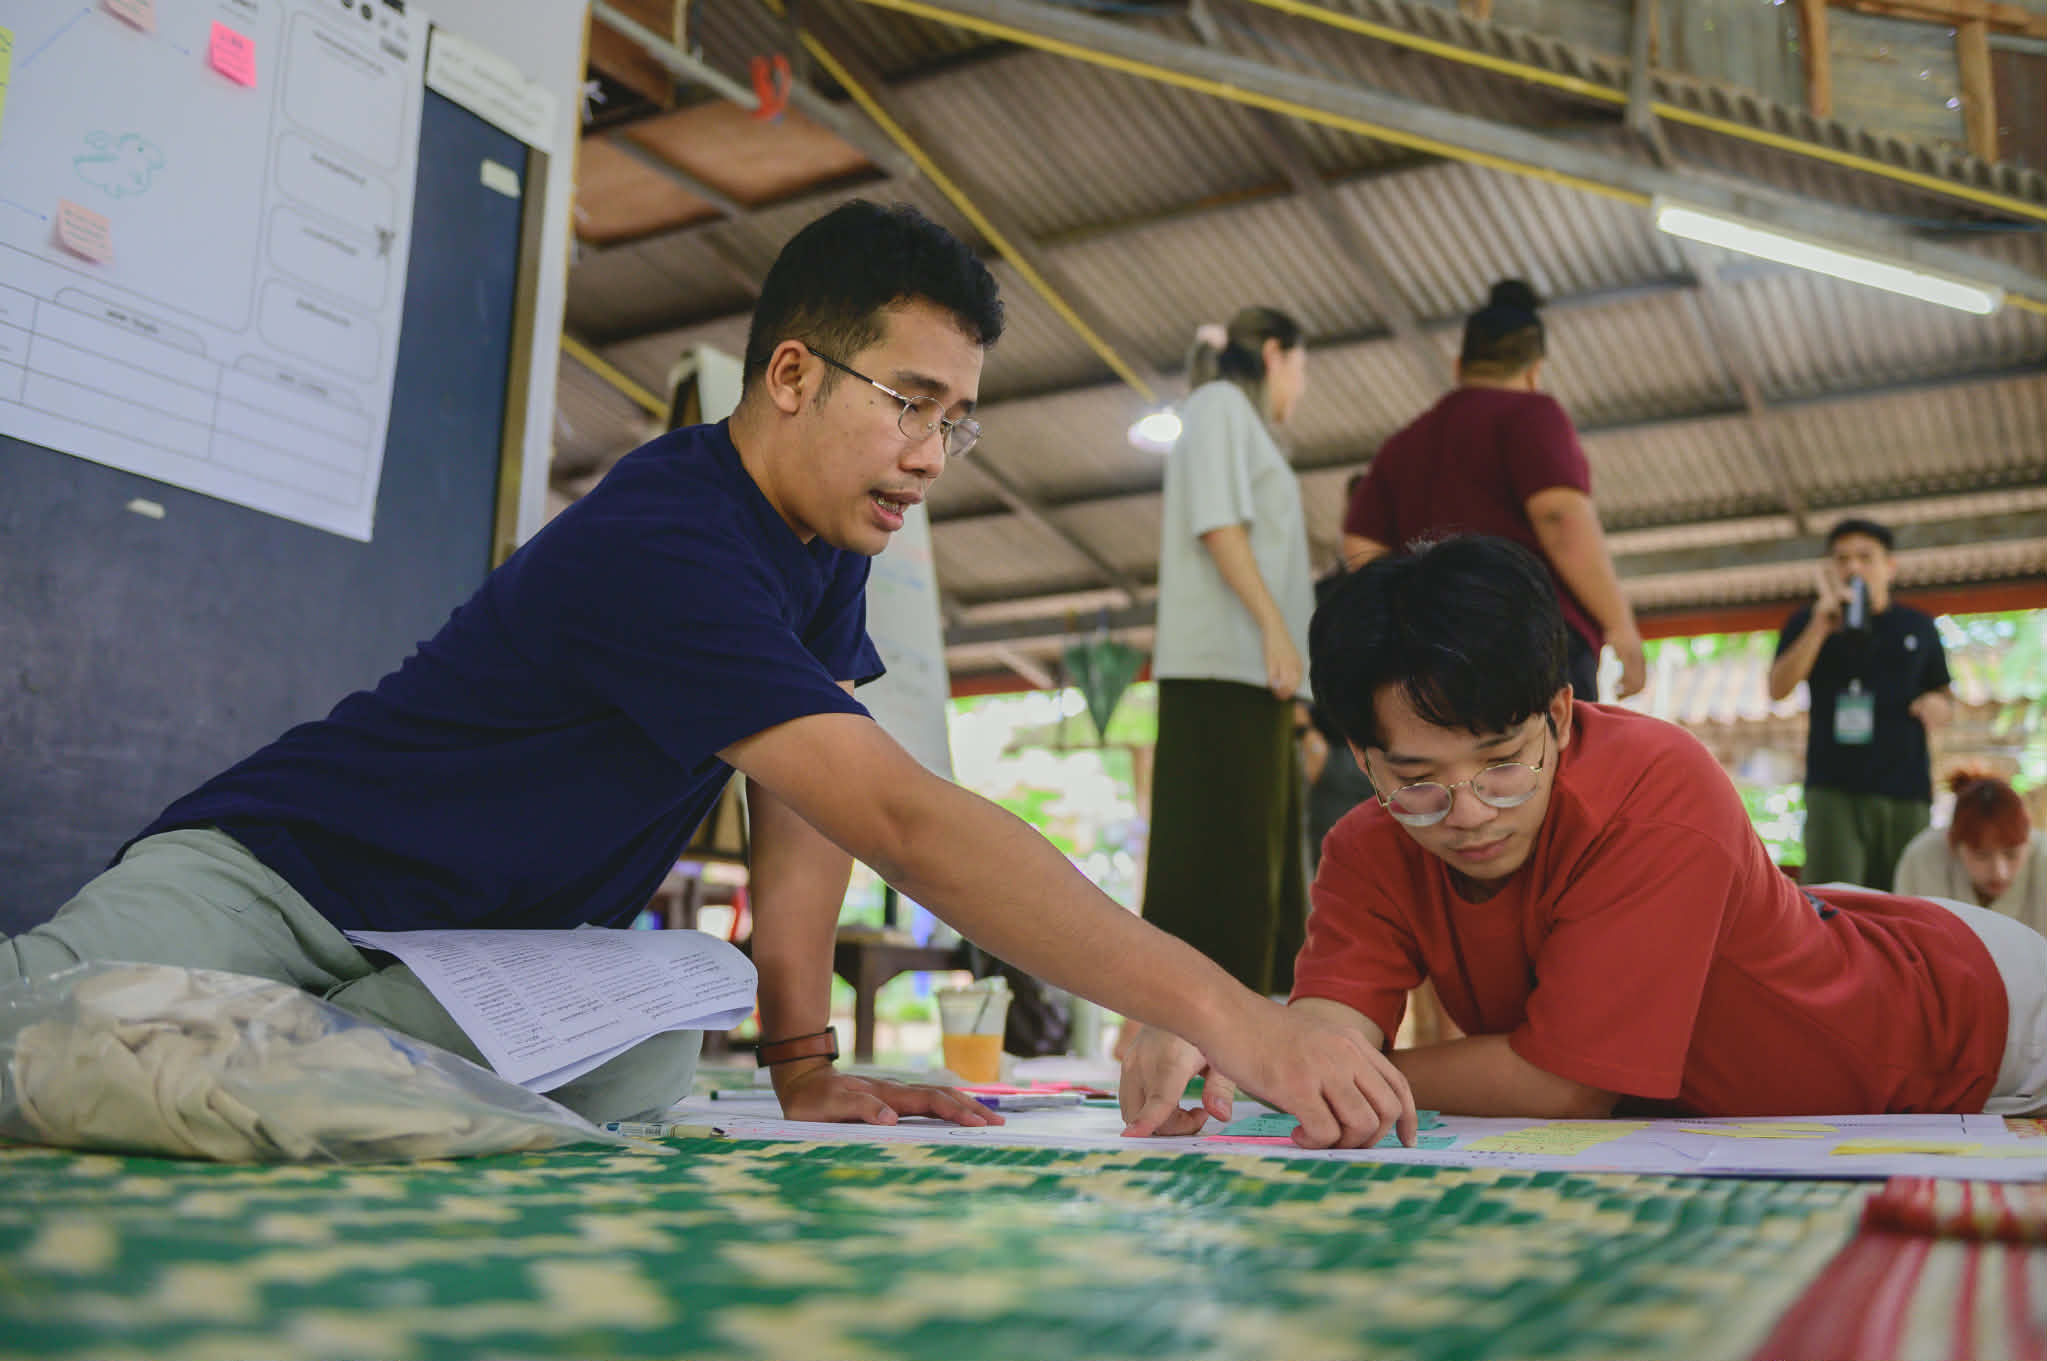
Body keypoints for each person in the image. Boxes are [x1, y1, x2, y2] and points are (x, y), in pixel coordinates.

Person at [6, 202, 1415, 1151]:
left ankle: (221, 1066)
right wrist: (1232, 1014)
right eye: (909, 402)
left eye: (958, 421)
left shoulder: (824, 545)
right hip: (275, 884)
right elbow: (904, 819)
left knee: (649, 1047)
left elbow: (808, 805)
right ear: (791, 374)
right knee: (24, 1034)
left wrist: (802, 1065)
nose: (931, 454)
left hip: (460, 969)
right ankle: (191, 1053)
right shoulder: (667, 536)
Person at [1119, 535, 2047, 1131]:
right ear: (1363, 762)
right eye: (1416, 779)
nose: (1470, 810)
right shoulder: (1369, 846)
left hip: (1976, 1020)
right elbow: (1330, 1025)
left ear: (1562, 715)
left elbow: (1565, 1088)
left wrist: (1311, 1060)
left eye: (1501, 760)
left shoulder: (1655, 787)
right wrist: (1249, 1041)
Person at [1340, 280, 1644, 704]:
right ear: (1535, 368)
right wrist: (1620, 624)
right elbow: (1560, 519)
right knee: (1544, 767)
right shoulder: (1532, 415)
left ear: (1459, 364)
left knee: (1460, 769)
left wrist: (1410, 619)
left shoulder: (1403, 444)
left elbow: (1361, 545)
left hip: (1432, 653)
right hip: (1528, 635)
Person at [1142, 308, 1317, 1000]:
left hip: (1254, 679)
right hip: (1221, 670)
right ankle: (1202, 1036)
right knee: (1220, 877)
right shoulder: (1217, 405)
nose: (1299, 390)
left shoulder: (1242, 425)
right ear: (1275, 354)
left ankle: (1257, 1040)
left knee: (1261, 878)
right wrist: (1275, 627)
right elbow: (1218, 523)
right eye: (1302, 370)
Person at [1769, 517, 1954, 892]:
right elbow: (1778, 688)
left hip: (1905, 790)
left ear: (1889, 566)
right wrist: (1821, 624)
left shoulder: (1916, 625)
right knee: (1834, 904)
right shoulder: (1808, 620)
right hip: (1833, 789)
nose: (1853, 567)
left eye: (1865, 557)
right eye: (1842, 559)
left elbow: (1945, 695)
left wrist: (1938, 705)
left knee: (1906, 903)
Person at [1896, 770, 2047, 933]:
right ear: (1953, 846)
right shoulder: (1922, 859)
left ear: (2028, 843)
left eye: (2012, 855)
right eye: (1981, 856)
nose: (1999, 872)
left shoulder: (2043, 857)